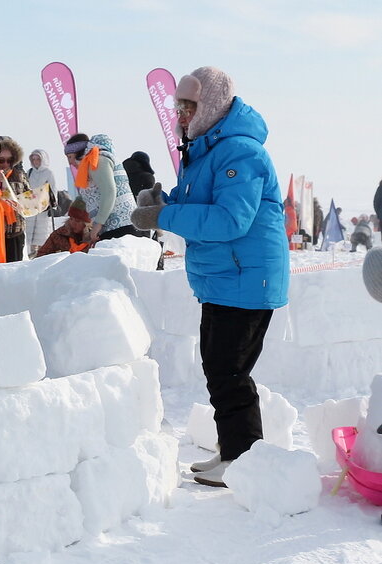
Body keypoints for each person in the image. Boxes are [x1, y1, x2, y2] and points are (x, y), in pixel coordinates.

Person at [130, 66, 289, 488]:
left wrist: (165, 214)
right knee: (220, 368)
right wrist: (161, 201)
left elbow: (229, 220)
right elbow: (196, 202)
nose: (181, 115)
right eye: (179, 107)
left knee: (229, 372)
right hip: (225, 278)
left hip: (245, 278)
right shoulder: (205, 150)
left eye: (189, 106)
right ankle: (234, 450)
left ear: (212, 106)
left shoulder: (241, 152)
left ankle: (242, 460)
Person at [66, 133, 139, 245]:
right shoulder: (92, 162)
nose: (70, 162)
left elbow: (109, 192)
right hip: (118, 225)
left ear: (79, 152)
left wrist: (97, 225)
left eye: (70, 157)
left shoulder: (97, 160)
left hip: (120, 226)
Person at [0, 136, 30, 263]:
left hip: (16, 231)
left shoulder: (19, 176)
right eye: (1, 160)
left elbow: (29, 199)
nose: (5, 164)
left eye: (9, 160)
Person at [25, 149, 58, 257]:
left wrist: (52, 205)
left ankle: (42, 253)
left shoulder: (49, 173)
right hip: (31, 206)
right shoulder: (29, 172)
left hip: (43, 207)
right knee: (30, 232)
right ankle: (31, 254)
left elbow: (53, 189)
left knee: (42, 231)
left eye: (38, 159)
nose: (35, 161)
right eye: (33, 159)